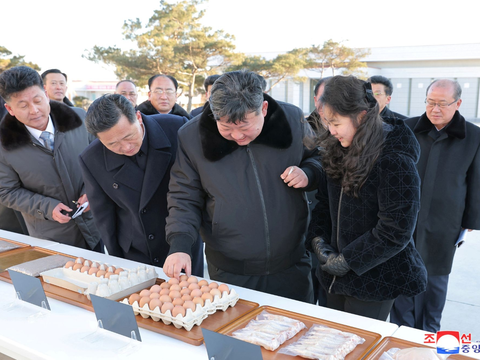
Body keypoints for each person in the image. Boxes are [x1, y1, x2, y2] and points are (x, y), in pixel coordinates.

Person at [163, 70, 322, 303]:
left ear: (264, 110)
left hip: (291, 263)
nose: (237, 136)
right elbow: (183, 196)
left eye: (245, 126)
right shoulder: (192, 136)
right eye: (226, 127)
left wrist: (308, 173)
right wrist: (179, 245)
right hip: (230, 268)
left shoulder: (291, 119)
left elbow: (317, 157)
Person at [306, 75, 427, 321]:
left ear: (361, 115)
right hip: (333, 275)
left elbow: (396, 230)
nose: (331, 130)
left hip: (375, 280)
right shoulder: (338, 148)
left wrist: (349, 260)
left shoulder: (394, 159)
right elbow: (324, 204)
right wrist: (319, 242)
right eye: (327, 122)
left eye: (336, 123)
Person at [390, 79, 480, 332]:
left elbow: (476, 180)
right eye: (430, 102)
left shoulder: (473, 136)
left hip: (445, 220)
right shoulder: (406, 128)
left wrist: (470, 222)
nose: (435, 109)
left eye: (442, 103)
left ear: (458, 103)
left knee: (436, 280)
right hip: (404, 218)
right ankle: (403, 335)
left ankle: (430, 335)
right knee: (403, 275)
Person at [79, 94, 204, 275]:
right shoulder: (92, 158)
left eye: (129, 136)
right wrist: (117, 259)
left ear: (138, 117)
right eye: (112, 144)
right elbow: (103, 215)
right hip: (136, 247)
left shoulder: (177, 128)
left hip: (183, 239)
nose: (126, 147)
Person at [0, 66, 102, 251]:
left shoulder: (79, 118)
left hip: (96, 226)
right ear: (9, 108)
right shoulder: (3, 144)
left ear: (46, 94)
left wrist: (91, 191)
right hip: (51, 237)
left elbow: (101, 161)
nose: (34, 110)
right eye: (23, 105)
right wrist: (47, 207)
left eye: (38, 100)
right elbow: (6, 191)